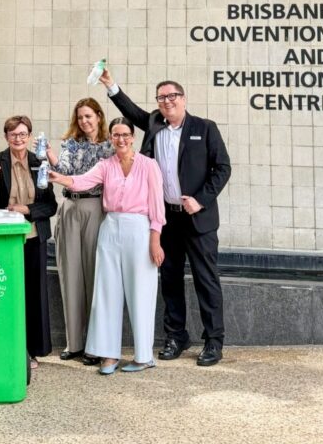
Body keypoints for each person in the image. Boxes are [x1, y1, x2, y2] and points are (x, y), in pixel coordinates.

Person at [99, 68, 232, 367]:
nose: (167, 101)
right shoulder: (155, 124)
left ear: (183, 99)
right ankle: (176, 335)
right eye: (161, 98)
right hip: (165, 219)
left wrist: (200, 200)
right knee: (169, 278)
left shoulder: (205, 127)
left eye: (172, 96)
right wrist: (110, 85)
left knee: (205, 279)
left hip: (197, 218)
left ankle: (214, 340)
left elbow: (222, 168)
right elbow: (130, 111)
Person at [50, 118, 165, 374]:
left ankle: (144, 355)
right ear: (110, 138)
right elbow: (81, 182)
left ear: (132, 136)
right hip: (110, 228)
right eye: (116, 135)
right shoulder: (105, 165)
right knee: (106, 293)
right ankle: (108, 355)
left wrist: (155, 240)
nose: (121, 139)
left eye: (125, 134)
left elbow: (158, 206)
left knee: (141, 293)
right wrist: (61, 178)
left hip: (139, 229)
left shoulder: (149, 166)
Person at [0, 115, 58, 369]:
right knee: (7, 294)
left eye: (23, 134)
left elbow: (51, 205)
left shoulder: (39, 162)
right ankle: (7, 345)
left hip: (34, 236)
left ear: (29, 137)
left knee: (34, 294)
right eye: (13, 134)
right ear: (6, 136)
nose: (18, 139)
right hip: (6, 239)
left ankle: (32, 349)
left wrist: (26, 209)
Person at [45, 98, 114, 365]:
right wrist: (51, 155)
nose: (84, 121)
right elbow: (63, 171)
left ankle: (96, 345)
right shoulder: (71, 144)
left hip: (96, 209)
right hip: (70, 207)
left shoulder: (109, 146)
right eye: (80, 117)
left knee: (94, 276)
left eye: (89, 116)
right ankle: (74, 342)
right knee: (70, 275)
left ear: (98, 116)